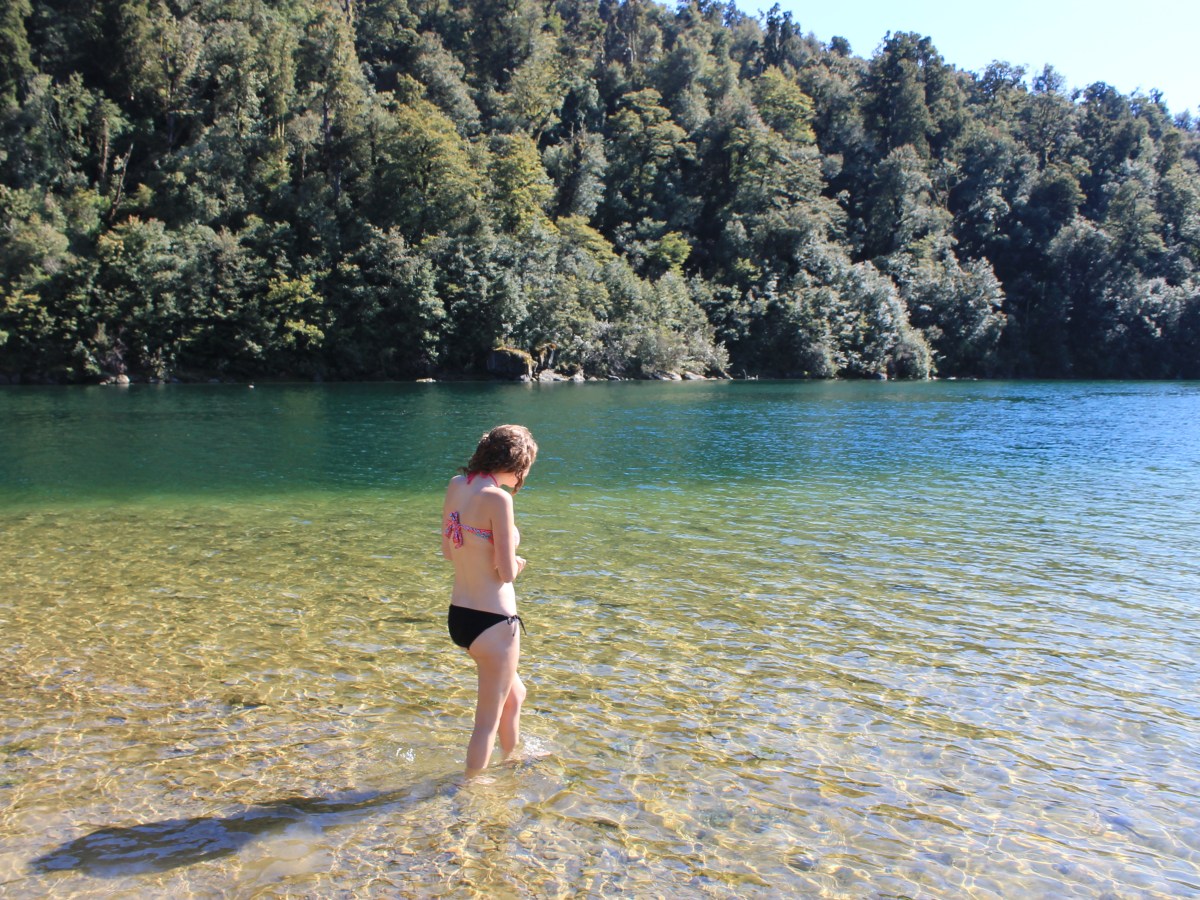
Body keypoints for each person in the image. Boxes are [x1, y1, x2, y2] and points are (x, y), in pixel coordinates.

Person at [441, 424, 538, 776]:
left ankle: (511, 761)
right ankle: (470, 791)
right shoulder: (499, 498)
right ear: (519, 463)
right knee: (486, 723)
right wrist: (518, 562)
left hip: (461, 618)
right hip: (495, 622)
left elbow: (448, 551)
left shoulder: (457, 486)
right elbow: (506, 572)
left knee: (516, 695)